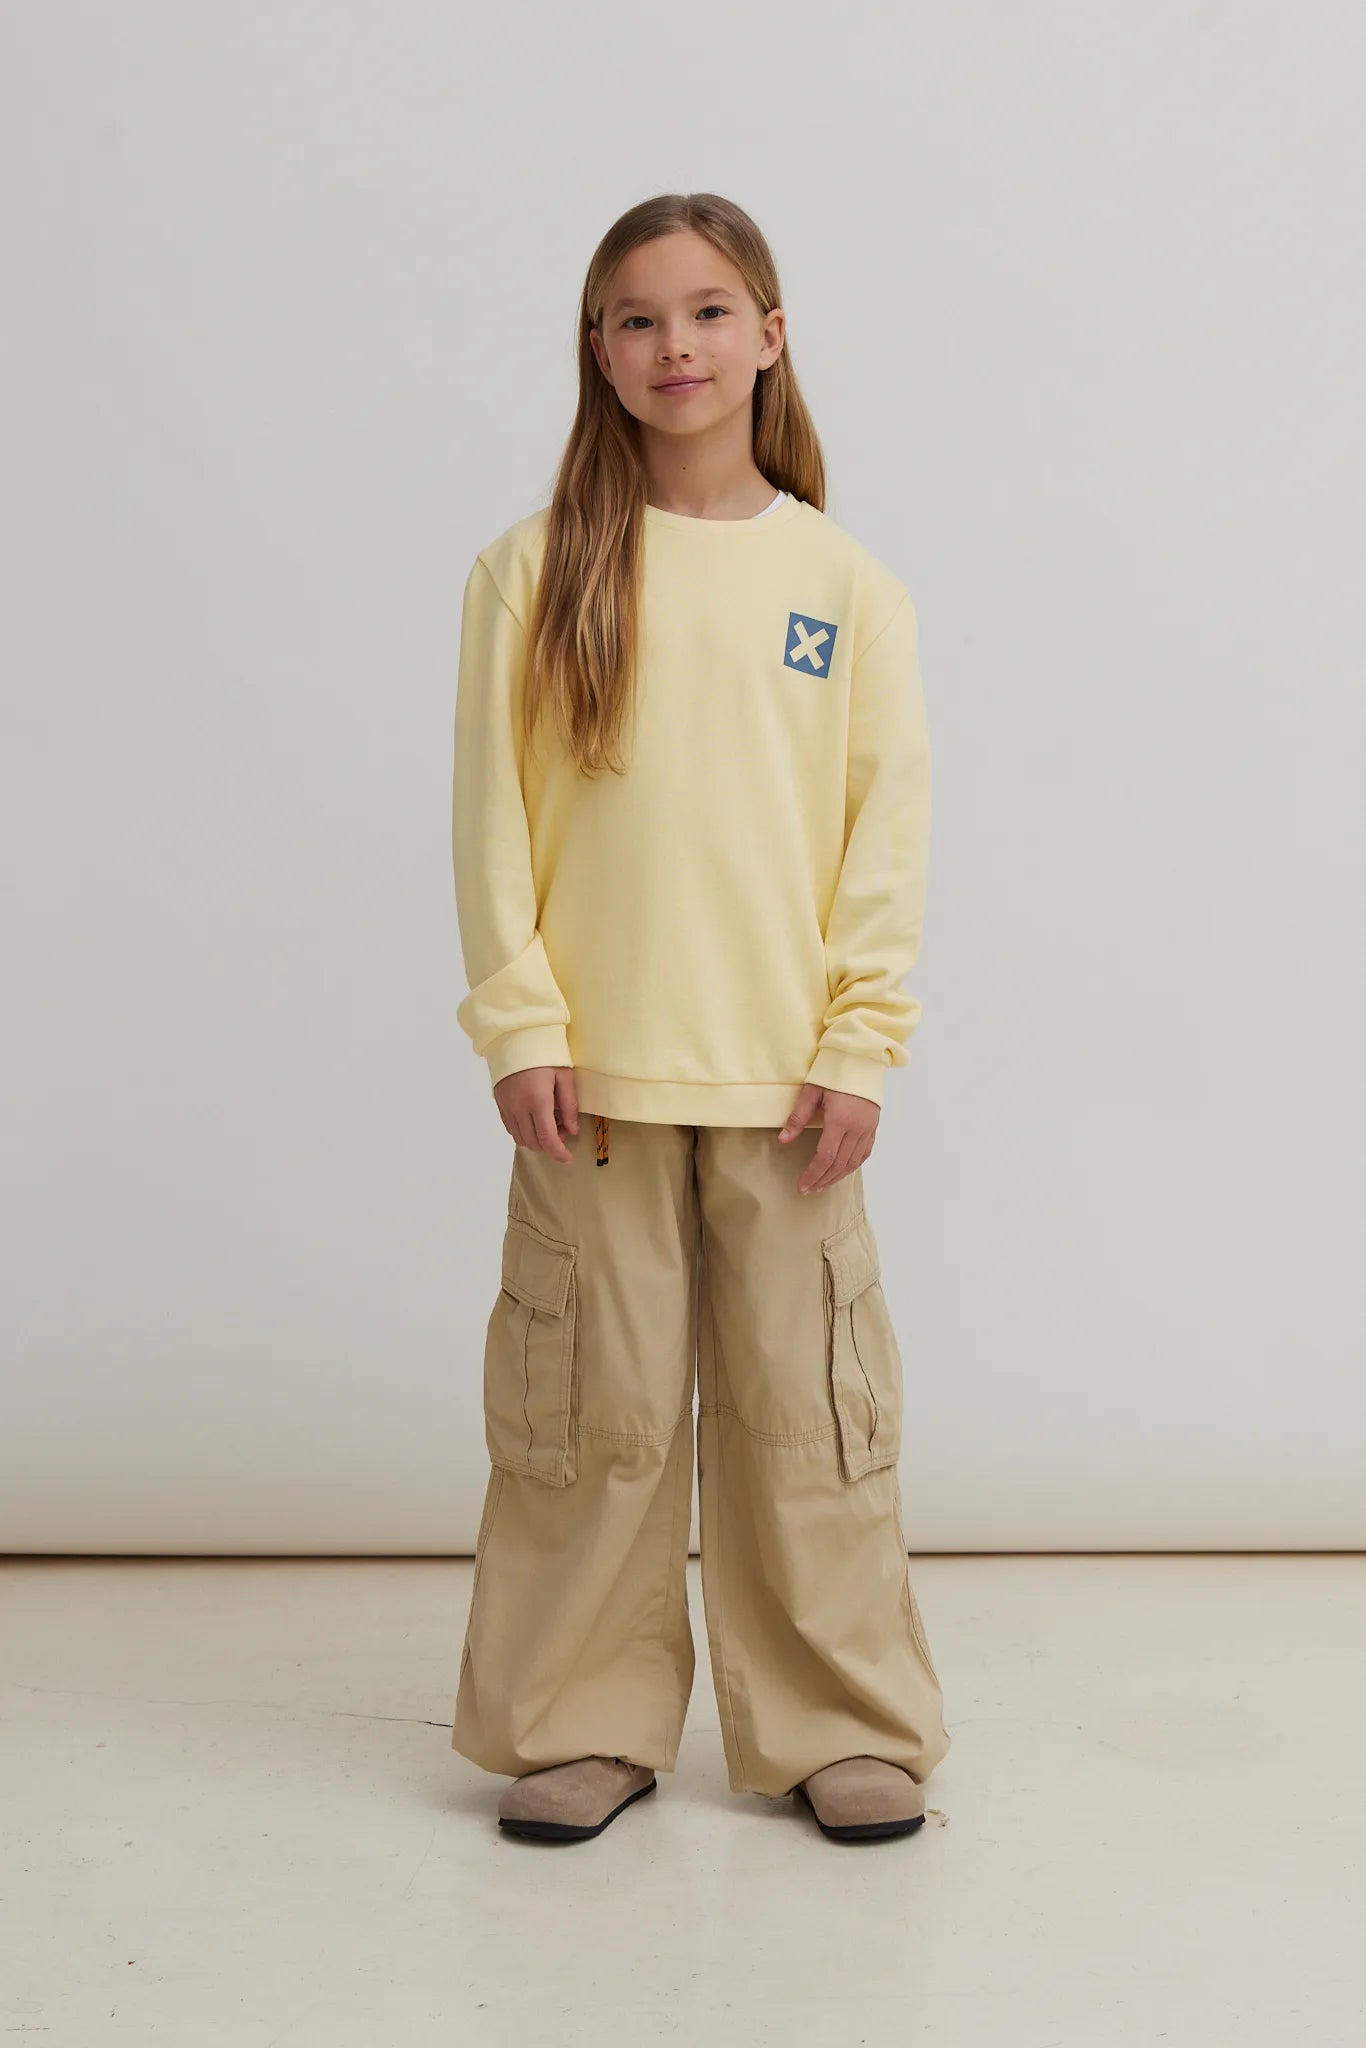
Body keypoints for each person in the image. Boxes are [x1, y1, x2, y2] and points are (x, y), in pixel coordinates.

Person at [448, 191, 950, 1846]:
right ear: (597, 353)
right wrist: (522, 1027)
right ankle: (580, 1719)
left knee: (808, 1417)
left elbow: (882, 841)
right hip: (591, 1084)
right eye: (638, 318)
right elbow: (492, 823)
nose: (676, 344)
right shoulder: (531, 572)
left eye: (709, 310)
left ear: (770, 335)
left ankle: (839, 1720)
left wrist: (858, 1045)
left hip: (787, 1087)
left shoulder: (845, 585)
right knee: (589, 1418)